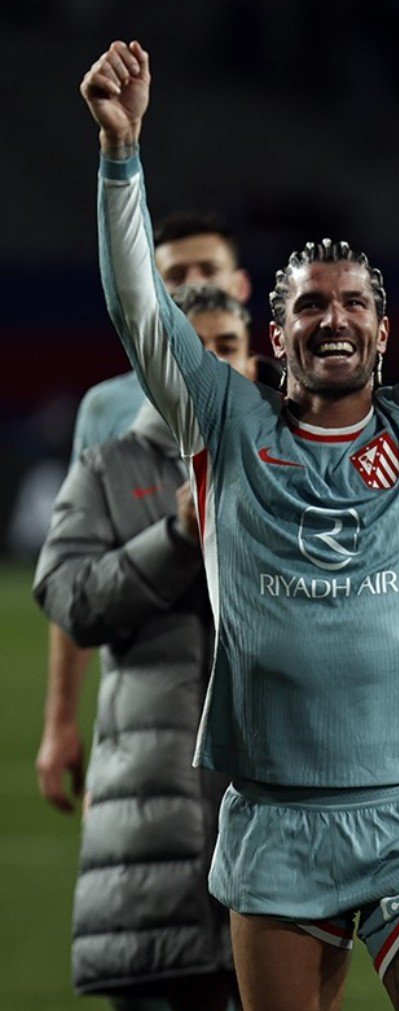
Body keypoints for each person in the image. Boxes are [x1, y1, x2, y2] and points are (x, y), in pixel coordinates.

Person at [83, 33, 399, 1010]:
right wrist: (121, 158)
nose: (330, 318)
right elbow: (139, 310)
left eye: (351, 304)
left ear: (383, 329)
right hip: (277, 820)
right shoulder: (223, 421)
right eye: (308, 306)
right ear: (277, 330)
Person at [34, 284, 258, 1011]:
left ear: (252, 359)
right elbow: (68, 598)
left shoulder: (279, 464)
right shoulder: (107, 467)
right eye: (193, 346)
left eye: (227, 346)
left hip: (258, 805)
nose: (211, 362)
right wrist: (173, 540)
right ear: (155, 360)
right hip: (147, 804)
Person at [38, 213, 253, 840]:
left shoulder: (277, 406)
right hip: (149, 697)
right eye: (172, 276)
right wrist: (62, 722)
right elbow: (77, 568)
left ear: (238, 287)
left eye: (205, 271)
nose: (190, 283)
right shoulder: (108, 410)